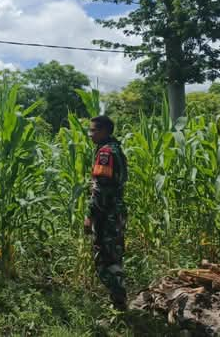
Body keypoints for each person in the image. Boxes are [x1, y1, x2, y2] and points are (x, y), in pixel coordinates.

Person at [83, 115, 128, 310]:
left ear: (104, 131)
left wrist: (89, 216)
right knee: (114, 255)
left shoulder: (106, 153)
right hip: (116, 212)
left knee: (104, 259)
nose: (90, 134)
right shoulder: (116, 149)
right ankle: (119, 302)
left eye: (93, 130)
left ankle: (119, 301)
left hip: (105, 214)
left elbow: (101, 190)